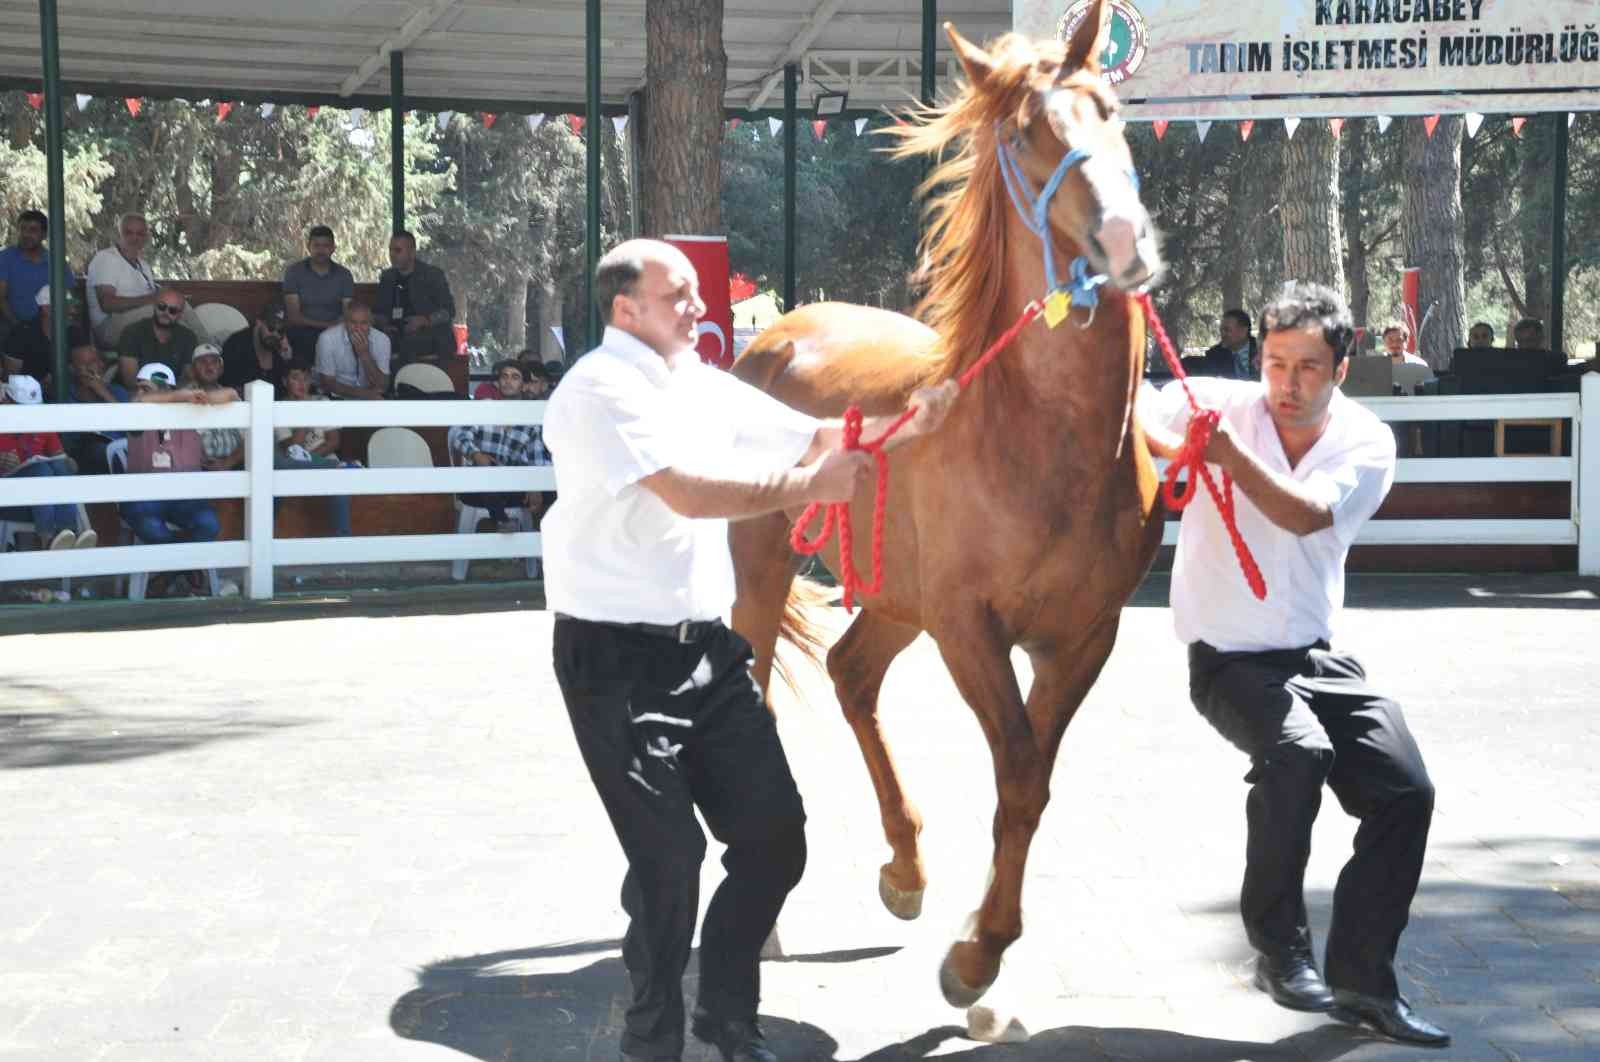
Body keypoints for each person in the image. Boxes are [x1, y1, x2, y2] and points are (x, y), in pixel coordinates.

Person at [542, 238, 958, 1062]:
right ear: (627, 310)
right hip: (614, 664)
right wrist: (810, 489)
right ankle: (650, 1039)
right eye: (681, 296)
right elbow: (688, 494)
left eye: (697, 294)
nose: (702, 307)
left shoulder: (697, 383)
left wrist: (918, 419)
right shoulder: (596, 391)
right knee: (670, 865)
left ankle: (726, 1018)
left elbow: (814, 436)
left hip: (707, 654)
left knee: (775, 840)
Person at [1142, 281, 1448, 1048]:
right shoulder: (1219, 403)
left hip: (1317, 656)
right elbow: (1129, 404)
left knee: (1406, 793)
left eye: (1308, 366)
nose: (1287, 383)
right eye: (1276, 363)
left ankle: (1362, 983)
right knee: (1297, 753)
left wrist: (1226, 455)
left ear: (1341, 367)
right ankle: (1279, 951)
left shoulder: (1366, 441)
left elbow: (1306, 513)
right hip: (1227, 659)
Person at [121, 363, 232, 594]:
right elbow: (136, 402)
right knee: (150, 526)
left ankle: (170, 573)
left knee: (209, 523)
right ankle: (188, 567)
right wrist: (176, 395)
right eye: (141, 387)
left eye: (149, 388)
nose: (143, 392)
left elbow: (231, 394)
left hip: (185, 498)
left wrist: (189, 397)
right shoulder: (136, 411)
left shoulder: (190, 409)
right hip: (145, 498)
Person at [447, 364, 549, 533]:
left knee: (547, 489)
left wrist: (535, 484)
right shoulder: (485, 409)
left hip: (511, 485)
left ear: (523, 385)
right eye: (504, 376)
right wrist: (476, 454)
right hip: (479, 486)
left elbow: (536, 457)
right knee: (485, 470)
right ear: (499, 383)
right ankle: (502, 520)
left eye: (515, 377)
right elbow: (457, 433)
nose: (508, 381)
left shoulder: (529, 421)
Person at [0, 373, 97, 551]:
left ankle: (66, 534)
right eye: (24, 408)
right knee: (41, 470)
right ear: (7, 401)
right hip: (8, 499)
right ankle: (48, 540)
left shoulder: (41, 420)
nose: (31, 414)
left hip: (39, 499)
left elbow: (59, 455)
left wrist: (70, 463)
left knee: (58, 466)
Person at [275, 360, 354, 537]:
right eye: (296, 378)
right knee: (337, 472)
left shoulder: (322, 401)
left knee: (339, 481)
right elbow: (292, 451)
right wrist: (305, 412)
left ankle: (343, 542)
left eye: (306, 379)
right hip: (295, 468)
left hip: (326, 461)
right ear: (284, 381)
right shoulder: (278, 408)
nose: (302, 384)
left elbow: (334, 441)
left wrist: (310, 460)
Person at [375, 230, 457, 366]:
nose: (392, 255)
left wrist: (426, 320)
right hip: (397, 332)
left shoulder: (432, 275)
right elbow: (380, 311)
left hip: (430, 333)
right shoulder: (388, 277)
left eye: (398, 250)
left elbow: (449, 311)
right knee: (374, 340)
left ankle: (405, 385)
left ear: (412, 253)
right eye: (390, 250)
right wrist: (385, 324)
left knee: (408, 344)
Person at [0, 209, 73, 350]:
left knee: (75, 338)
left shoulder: (57, 261)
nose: (26, 234)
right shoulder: (5, 258)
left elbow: (69, 298)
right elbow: (1, 298)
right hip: (13, 324)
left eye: (33, 230)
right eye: (22, 229)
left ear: (44, 235)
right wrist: (18, 325)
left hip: (52, 326)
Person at [283, 225, 355, 362]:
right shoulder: (294, 272)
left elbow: (348, 313)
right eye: (316, 245)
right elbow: (294, 317)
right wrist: (327, 326)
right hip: (302, 332)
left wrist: (333, 328)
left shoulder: (344, 275)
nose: (321, 250)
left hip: (336, 333)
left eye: (326, 246)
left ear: (333, 248)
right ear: (308, 247)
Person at [61, 340, 129, 476]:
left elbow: (130, 426)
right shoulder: (65, 396)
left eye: (96, 362)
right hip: (86, 457)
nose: (93, 368)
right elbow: (70, 441)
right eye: (86, 364)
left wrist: (103, 392)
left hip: (122, 449)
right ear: (72, 368)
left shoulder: (117, 391)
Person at [118, 287, 199, 389]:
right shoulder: (132, 332)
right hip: (138, 396)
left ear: (180, 315)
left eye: (172, 310)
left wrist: (170, 393)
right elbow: (130, 381)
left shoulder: (188, 337)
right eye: (161, 307)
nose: (166, 313)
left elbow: (188, 377)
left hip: (174, 396)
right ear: (154, 306)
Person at [4, 285, 82, 387]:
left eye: (73, 306)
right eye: (66, 306)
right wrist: (39, 385)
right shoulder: (21, 334)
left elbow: (84, 370)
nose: (73, 311)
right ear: (46, 309)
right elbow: (10, 378)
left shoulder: (74, 332)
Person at [315, 302, 391, 400]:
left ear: (371, 323)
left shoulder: (382, 340)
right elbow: (328, 383)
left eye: (363, 323)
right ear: (345, 322)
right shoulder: (327, 338)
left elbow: (382, 385)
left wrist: (365, 354)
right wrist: (364, 394)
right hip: (337, 397)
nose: (358, 329)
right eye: (353, 322)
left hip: (371, 396)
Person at [189, 345, 244, 471]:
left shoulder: (232, 397)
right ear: (192, 370)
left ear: (221, 369)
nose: (209, 366)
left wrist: (227, 462)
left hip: (234, 465)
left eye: (214, 361)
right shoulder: (184, 396)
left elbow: (249, 438)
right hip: (200, 468)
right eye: (202, 362)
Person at [220, 301, 293, 395]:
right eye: (271, 328)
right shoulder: (236, 344)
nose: (275, 334)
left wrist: (286, 358)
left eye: (280, 331)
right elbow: (226, 383)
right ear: (259, 322)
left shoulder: (280, 349)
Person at [1201, 308, 1259, 379]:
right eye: (1221, 330)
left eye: (1227, 330)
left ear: (1243, 331)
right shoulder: (1214, 355)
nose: (1222, 334)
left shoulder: (1264, 352)